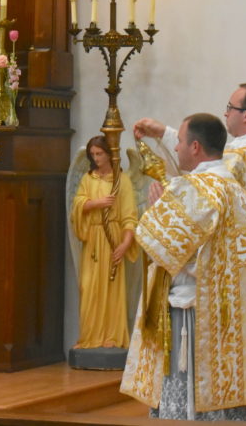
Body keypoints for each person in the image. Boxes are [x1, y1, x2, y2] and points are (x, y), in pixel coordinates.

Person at [134, 83, 246, 407]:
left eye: (230, 107)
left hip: (217, 287)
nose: (225, 112)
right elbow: (203, 160)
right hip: (245, 277)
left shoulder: (243, 158)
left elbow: (201, 176)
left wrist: (162, 207)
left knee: (209, 386)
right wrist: (165, 134)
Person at [70, 135, 138, 350]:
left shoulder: (122, 181)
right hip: (93, 240)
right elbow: (77, 208)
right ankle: (88, 337)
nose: (96, 158)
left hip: (113, 239)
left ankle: (112, 336)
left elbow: (130, 216)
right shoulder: (88, 180)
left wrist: (125, 243)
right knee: (89, 288)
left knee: (111, 289)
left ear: (110, 154)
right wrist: (95, 203)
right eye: (93, 155)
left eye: (100, 154)